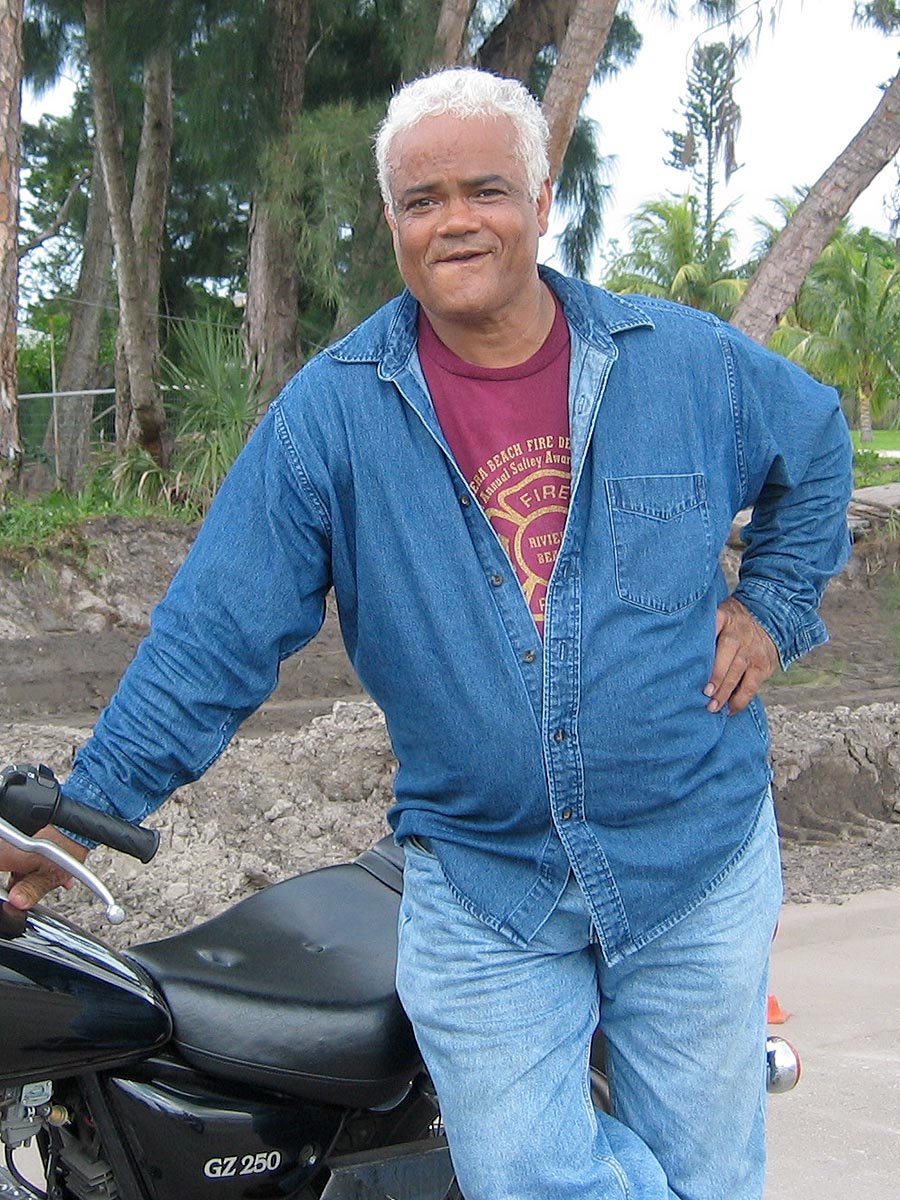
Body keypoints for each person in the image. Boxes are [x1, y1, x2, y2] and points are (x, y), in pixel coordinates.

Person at [2, 68, 851, 1200]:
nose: (455, 221)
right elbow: (212, 640)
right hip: (485, 879)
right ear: (393, 221)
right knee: (532, 1179)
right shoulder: (333, 417)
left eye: (484, 190)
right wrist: (80, 816)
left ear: (540, 201)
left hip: (693, 856)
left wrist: (775, 606)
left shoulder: (684, 362)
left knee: (708, 1173)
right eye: (421, 200)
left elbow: (819, 442)